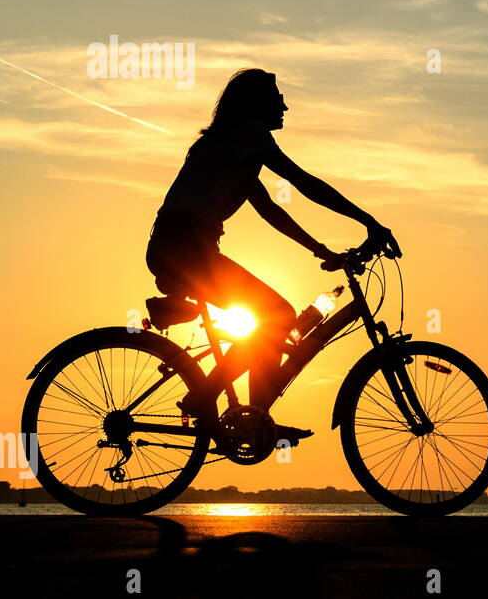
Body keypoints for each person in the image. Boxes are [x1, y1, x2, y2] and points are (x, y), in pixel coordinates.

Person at [145, 68, 392, 438]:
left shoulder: (235, 148)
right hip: (185, 249)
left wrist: (320, 250)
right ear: (256, 105)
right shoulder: (249, 135)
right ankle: (216, 402)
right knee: (277, 314)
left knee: (271, 317)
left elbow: (271, 211)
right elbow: (303, 182)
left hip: (179, 248)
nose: (285, 107)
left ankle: (254, 419)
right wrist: (368, 219)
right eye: (277, 99)